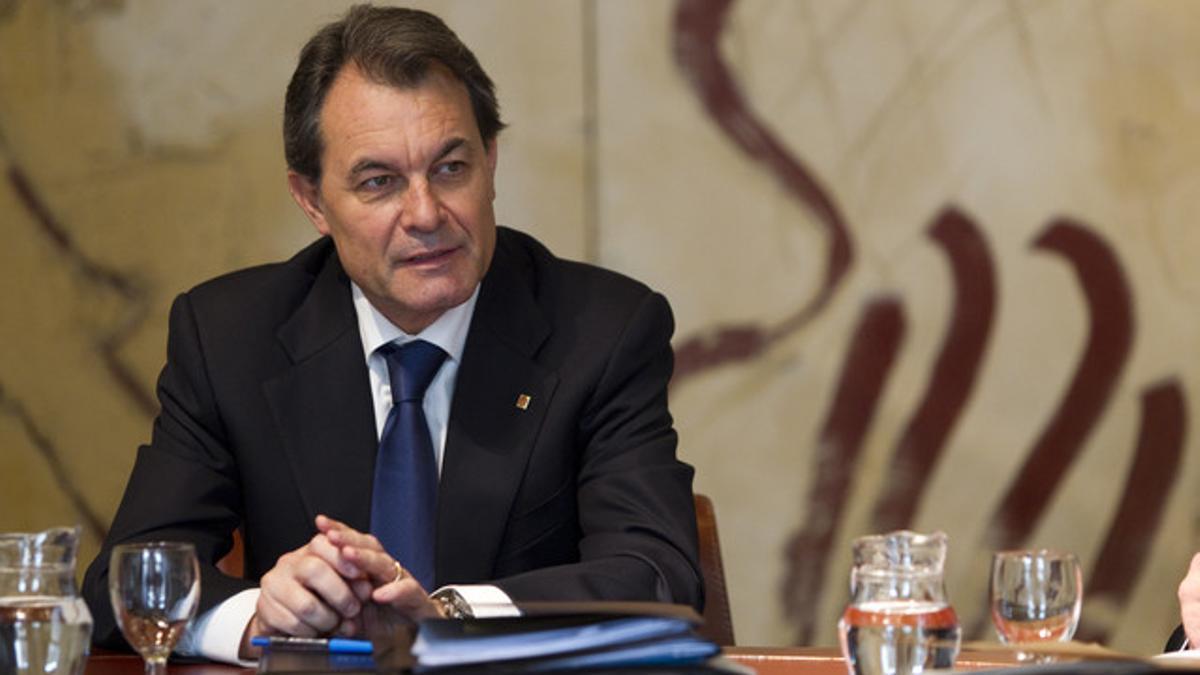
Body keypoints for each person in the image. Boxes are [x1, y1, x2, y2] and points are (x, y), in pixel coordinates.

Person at [81, 4, 702, 664]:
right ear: (312, 200)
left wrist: (450, 617)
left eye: (450, 167)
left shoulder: (603, 331)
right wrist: (259, 614)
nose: (426, 213)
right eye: (379, 182)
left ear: (491, 161)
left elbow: (656, 573)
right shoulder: (230, 337)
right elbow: (124, 584)